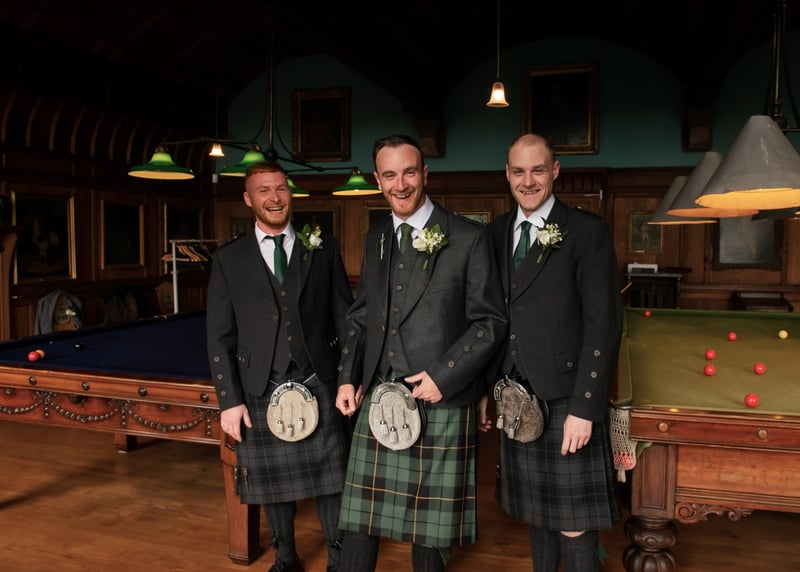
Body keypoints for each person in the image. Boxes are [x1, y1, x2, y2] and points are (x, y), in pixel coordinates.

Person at [335, 134, 507, 572]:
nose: (401, 184)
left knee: (428, 538)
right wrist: (347, 377)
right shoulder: (376, 238)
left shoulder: (467, 237)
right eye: (389, 175)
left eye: (409, 172)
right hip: (378, 393)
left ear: (425, 174)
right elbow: (360, 316)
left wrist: (444, 376)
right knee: (357, 526)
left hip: (440, 399)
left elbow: (489, 323)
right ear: (378, 180)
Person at [206, 161, 354, 572]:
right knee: (273, 485)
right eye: (264, 190)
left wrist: (348, 378)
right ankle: (285, 558)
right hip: (260, 384)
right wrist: (229, 400)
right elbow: (219, 336)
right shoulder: (228, 258)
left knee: (333, 481)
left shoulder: (322, 247)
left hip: (319, 377)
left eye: (281, 189)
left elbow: (344, 318)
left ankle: (339, 559)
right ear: (248, 199)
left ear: (290, 193)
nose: (274, 198)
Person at [486, 133, 622, 572]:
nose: (528, 181)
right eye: (519, 171)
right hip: (515, 396)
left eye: (538, 170)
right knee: (536, 513)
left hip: (566, 398)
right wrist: (489, 389)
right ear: (508, 174)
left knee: (573, 523)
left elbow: (603, 326)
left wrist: (585, 407)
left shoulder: (587, 231)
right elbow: (492, 319)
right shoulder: (495, 233)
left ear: (555, 171)